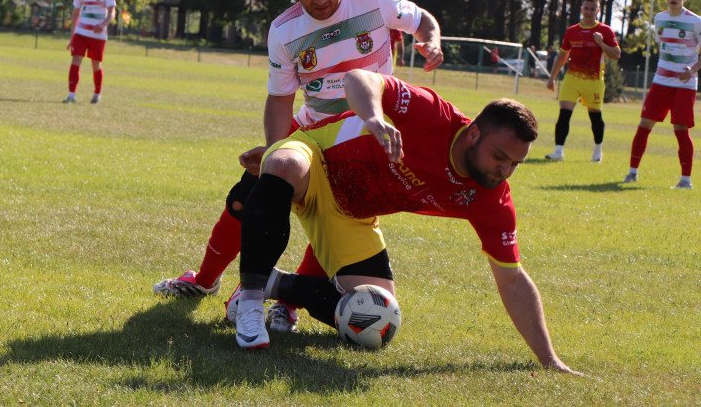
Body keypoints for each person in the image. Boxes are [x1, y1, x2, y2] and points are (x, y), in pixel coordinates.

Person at [152, 0, 444, 334]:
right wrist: (275, 156)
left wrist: (430, 39)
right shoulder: (283, 30)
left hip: (364, 138)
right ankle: (204, 280)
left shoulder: (376, 0)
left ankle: (284, 302)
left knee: (333, 217)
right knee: (248, 195)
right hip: (310, 129)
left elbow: (422, 19)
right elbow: (279, 99)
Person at [230, 69, 580, 375]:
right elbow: (359, 78)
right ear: (473, 134)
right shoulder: (433, 115)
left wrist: (549, 359)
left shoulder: (491, 197)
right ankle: (250, 300)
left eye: (514, 164)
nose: (504, 171)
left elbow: (513, 279)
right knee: (284, 164)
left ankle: (276, 284)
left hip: (352, 215)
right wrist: (374, 118)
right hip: (315, 160)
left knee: (380, 317)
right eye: (500, 157)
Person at [623, 0, 701, 189]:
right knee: (644, 125)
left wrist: (692, 69)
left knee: (681, 129)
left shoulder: (696, 21)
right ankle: (632, 173)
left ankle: (685, 180)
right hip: (661, 81)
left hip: (685, 85)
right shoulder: (659, 19)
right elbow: (664, 47)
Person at [544, 0, 621, 162]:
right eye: (586, 8)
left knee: (595, 115)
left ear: (598, 11)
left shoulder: (605, 31)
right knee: (564, 113)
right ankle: (558, 151)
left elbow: (616, 54)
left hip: (593, 80)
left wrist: (601, 43)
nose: (589, 12)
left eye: (593, 9)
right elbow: (562, 56)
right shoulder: (572, 31)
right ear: (581, 10)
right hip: (572, 78)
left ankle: (597, 150)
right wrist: (552, 78)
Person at [64, 0, 115, 104]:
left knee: (96, 64)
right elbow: (76, 13)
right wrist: (73, 36)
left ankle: (97, 94)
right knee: (76, 59)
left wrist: (103, 24)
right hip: (81, 32)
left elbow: (112, 12)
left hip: (98, 34)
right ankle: (71, 95)